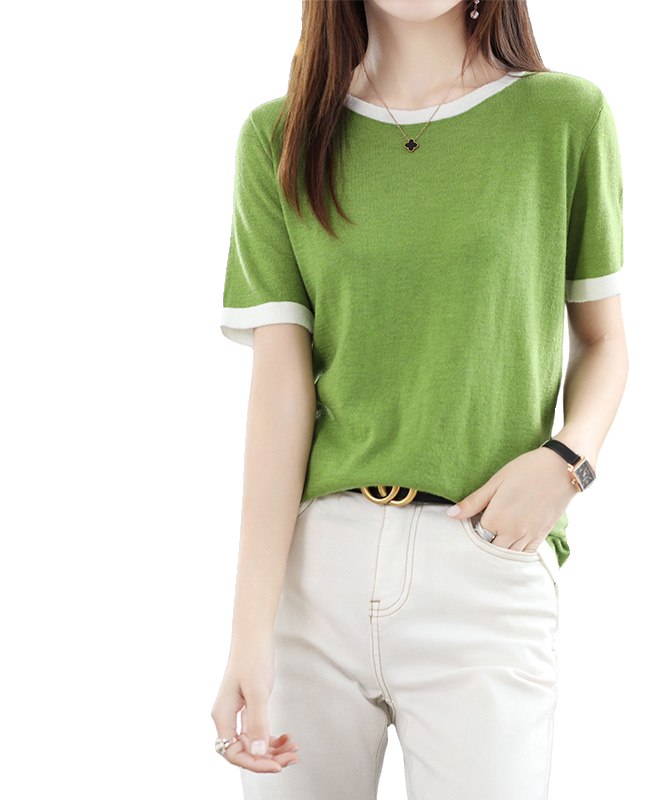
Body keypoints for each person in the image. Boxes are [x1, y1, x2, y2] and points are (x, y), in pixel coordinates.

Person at [210, 1, 628, 798]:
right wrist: (248, 635)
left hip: (483, 564)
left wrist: (568, 460)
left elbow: (605, 342)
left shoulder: (565, 117)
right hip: (313, 576)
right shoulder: (278, 136)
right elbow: (279, 394)